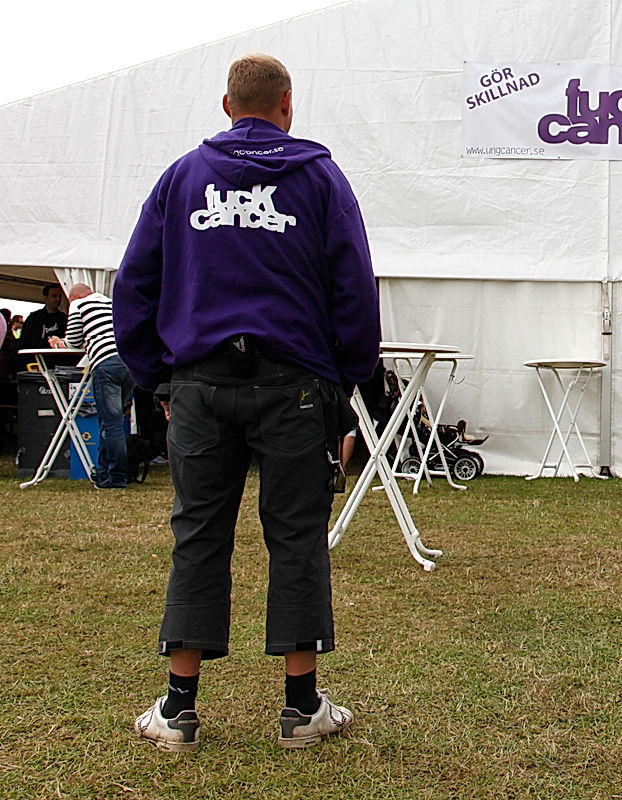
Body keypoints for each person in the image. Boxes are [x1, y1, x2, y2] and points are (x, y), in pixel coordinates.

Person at [113, 53, 381, 752]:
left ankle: (177, 709)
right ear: (288, 104)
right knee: (295, 535)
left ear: (227, 107)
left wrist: (156, 378)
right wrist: (345, 381)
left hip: (199, 382)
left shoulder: (182, 178)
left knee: (198, 535)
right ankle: (301, 709)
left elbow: (135, 283)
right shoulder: (320, 179)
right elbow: (354, 285)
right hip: (293, 384)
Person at [50, 284, 135, 488]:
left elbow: (72, 341)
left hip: (106, 363)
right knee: (118, 421)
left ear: (73, 297)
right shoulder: (110, 303)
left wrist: (57, 342)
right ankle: (106, 472)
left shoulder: (78, 305)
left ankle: (116, 478)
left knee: (110, 424)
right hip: (129, 362)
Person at [18, 284, 69, 351]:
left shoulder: (65, 319)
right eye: (54, 296)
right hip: (35, 357)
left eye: (60, 296)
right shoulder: (33, 318)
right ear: (45, 297)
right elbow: (24, 341)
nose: (58, 299)